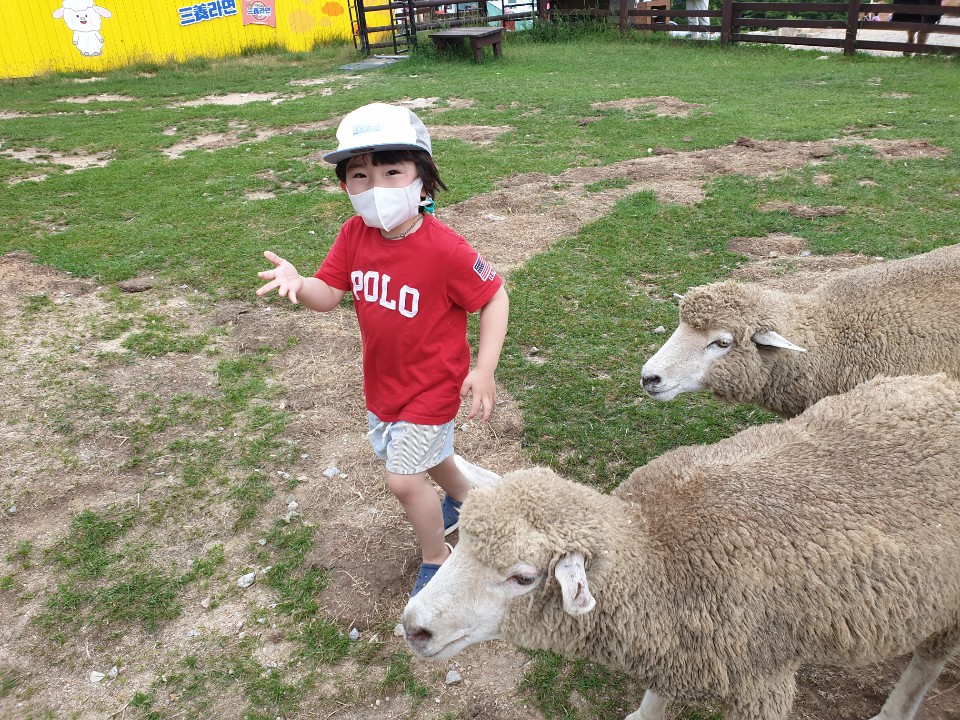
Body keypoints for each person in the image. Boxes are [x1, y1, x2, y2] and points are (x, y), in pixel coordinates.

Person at [256, 103, 509, 597]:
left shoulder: (445, 248)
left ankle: (437, 559)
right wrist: (300, 283)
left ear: (423, 179)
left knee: (403, 479)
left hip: (432, 385)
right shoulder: (354, 235)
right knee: (427, 457)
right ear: (345, 186)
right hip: (384, 383)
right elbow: (329, 294)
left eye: (392, 172)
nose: (376, 188)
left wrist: (484, 368)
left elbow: (494, 296)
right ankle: (465, 498)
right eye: (360, 176)